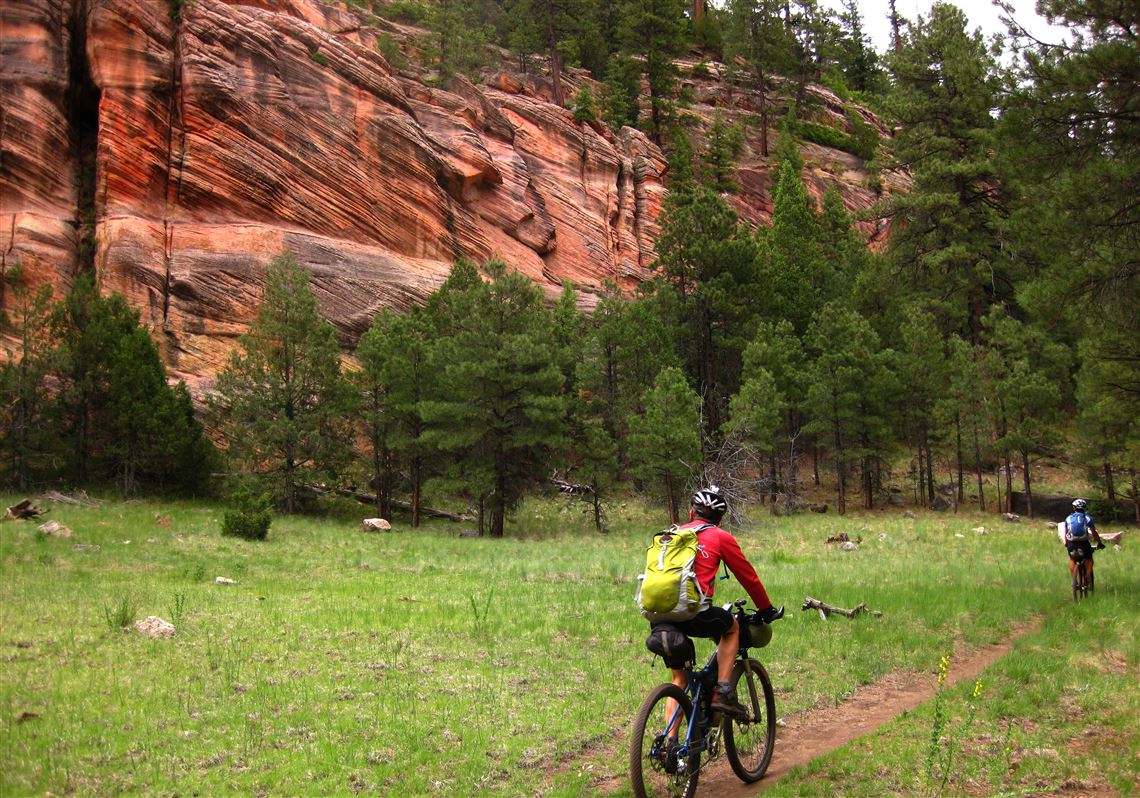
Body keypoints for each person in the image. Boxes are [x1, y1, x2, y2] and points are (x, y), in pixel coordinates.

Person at [654, 486, 782, 721]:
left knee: (679, 680)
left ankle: (669, 746)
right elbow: (748, 577)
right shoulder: (720, 537)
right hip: (694, 614)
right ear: (720, 519)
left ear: (692, 512)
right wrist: (766, 608)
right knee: (731, 627)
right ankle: (723, 691)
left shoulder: (672, 535)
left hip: (658, 614)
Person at [1064, 498, 1105, 579]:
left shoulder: (1068, 518)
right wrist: (1099, 543)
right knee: (1089, 558)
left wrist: (1066, 543)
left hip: (1072, 543)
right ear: (1085, 508)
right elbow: (1094, 532)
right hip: (1084, 543)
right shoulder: (1088, 518)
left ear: (1074, 508)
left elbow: (1066, 532)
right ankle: (1087, 577)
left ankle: (1074, 581)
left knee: (1072, 559)